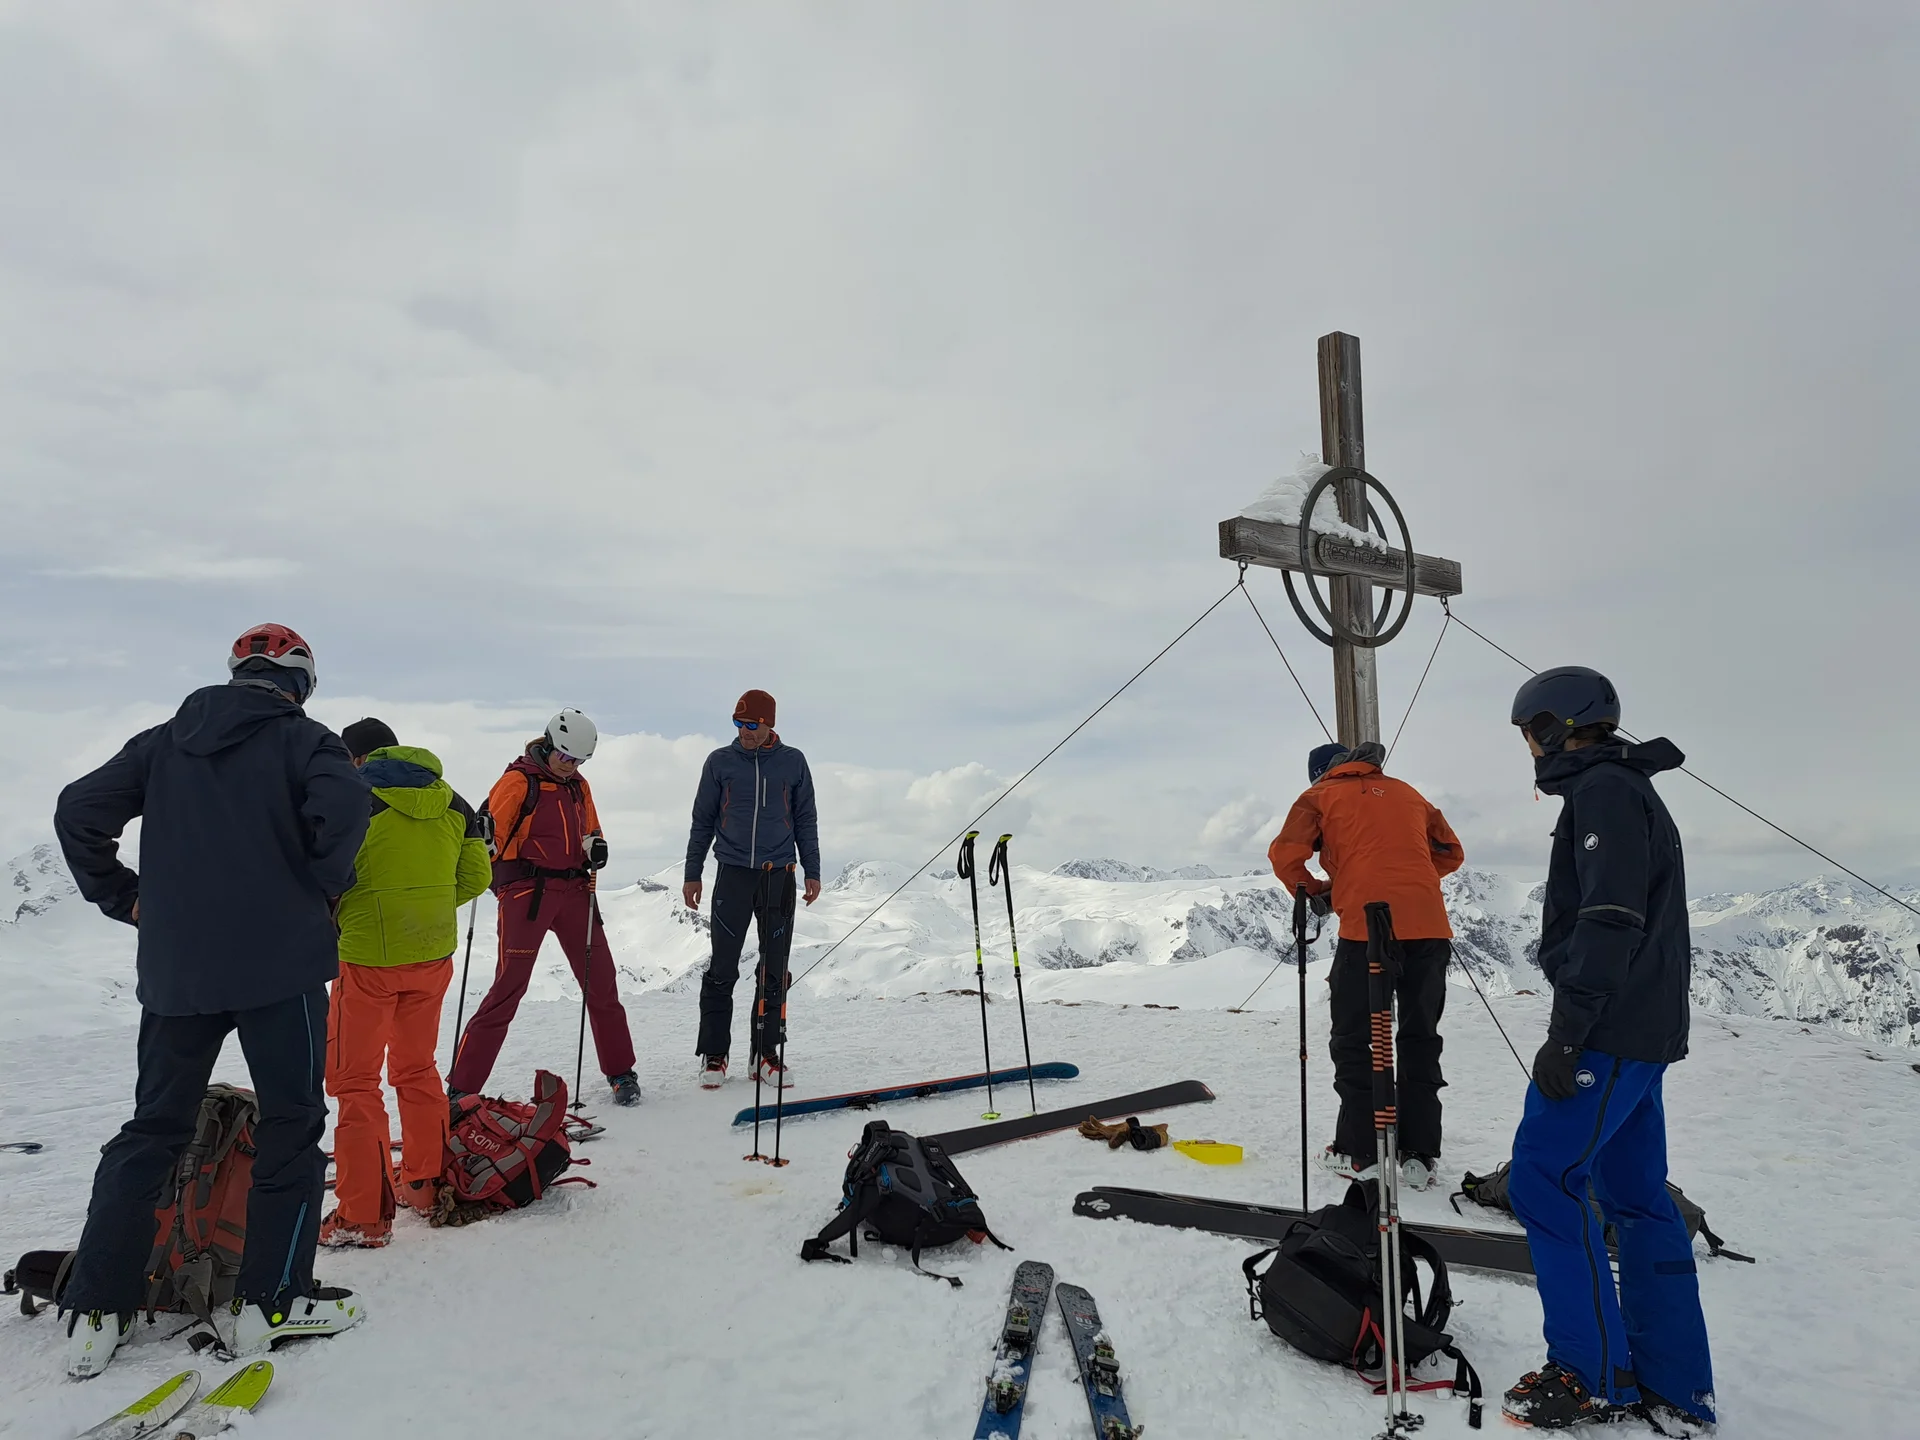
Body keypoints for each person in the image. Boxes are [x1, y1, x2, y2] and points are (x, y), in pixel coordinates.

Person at [52, 624, 369, 1377]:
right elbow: (346, 810)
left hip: (178, 970)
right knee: (291, 1124)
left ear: (237, 674)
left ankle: (99, 1309)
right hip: (279, 969)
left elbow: (78, 810)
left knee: (154, 1128)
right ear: (300, 683)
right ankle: (272, 1304)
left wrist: (126, 898)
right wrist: (320, 888)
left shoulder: (163, 741)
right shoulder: (309, 743)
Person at [1499, 667, 1714, 1432]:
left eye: (1530, 733)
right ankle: (1677, 1383)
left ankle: (1591, 1377)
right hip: (1642, 1033)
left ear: (1557, 727)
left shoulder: (1605, 796)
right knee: (1637, 1199)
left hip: (1610, 1034)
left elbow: (1611, 918)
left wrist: (1569, 1033)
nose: (1528, 750)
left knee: (1545, 1181)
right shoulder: (1624, 789)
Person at [319, 718, 492, 1248]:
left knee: (355, 1082)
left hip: (368, 958)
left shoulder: (353, 796)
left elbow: (327, 874)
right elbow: (478, 877)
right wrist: (429, 909)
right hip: (433, 954)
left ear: (356, 757)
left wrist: (356, 916)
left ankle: (364, 1214)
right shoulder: (453, 801)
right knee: (418, 1070)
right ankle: (423, 1183)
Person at [1268, 738, 1465, 1190]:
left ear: (1321, 772)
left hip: (1367, 929)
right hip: (1430, 928)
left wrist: (1324, 889)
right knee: (1418, 1035)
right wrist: (1407, 876)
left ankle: (1361, 1153)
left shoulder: (1318, 796)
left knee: (1355, 1037)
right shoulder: (1409, 794)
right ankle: (1418, 1156)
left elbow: (1286, 856)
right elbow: (1450, 853)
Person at [448, 709, 641, 1107]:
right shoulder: (518, 781)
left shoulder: (578, 786)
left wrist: (595, 846)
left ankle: (621, 1073)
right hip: (526, 894)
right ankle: (461, 1088)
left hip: (574, 891)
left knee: (601, 981)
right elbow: (492, 837)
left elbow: (591, 829)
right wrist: (485, 843)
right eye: (566, 758)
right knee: (508, 988)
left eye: (579, 761)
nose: (571, 767)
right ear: (550, 745)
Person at [683, 689, 821, 1089]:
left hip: (779, 874)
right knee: (722, 968)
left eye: (751, 725)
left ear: (768, 724)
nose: (744, 731)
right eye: (738, 724)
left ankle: (765, 1054)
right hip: (732, 873)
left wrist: (811, 870)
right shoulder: (720, 762)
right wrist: (694, 873)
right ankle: (714, 1055)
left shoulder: (793, 762)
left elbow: (806, 819)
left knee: (774, 969)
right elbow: (702, 821)